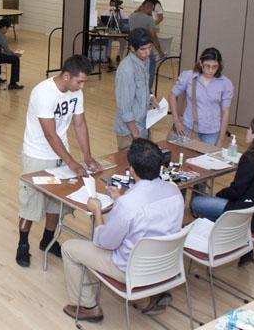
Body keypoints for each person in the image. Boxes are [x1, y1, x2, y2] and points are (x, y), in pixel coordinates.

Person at [61, 138, 184, 322]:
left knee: (69, 248)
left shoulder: (129, 204)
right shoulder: (174, 192)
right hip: (165, 265)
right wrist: (120, 200)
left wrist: (97, 212)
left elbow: (103, 242)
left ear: (132, 170)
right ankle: (157, 293)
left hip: (130, 270)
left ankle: (88, 307)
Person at [16, 55, 102, 267]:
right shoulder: (43, 93)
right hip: (38, 156)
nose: (81, 86)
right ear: (66, 76)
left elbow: (80, 124)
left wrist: (87, 156)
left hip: (61, 155)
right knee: (31, 205)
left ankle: (48, 240)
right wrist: (73, 163)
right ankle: (23, 244)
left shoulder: (76, 92)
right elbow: (50, 135)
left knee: (57, 203)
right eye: (79, 81)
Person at [191, 116, 254, 233]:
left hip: (248, 213)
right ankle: (223, 234)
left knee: (196, 203)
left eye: (249, 129)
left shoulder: (250, 158)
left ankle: (217, 233)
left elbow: (236, 191)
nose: (247, 131)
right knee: (210, 212)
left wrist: (219, 194)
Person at [168, 47, 233, 147]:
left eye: (214, 67)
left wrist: (221, 139)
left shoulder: (225, 83)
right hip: (188, 127)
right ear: (201, 63)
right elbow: (172, 95)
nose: (211, 70)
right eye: (207, 66)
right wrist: (176, 120)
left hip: (212, 132)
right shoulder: (188, 76)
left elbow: (226, 112)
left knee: (205, 161)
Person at [114, 28, 158, 150]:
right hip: (130, 132)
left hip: (143, 124)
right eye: (143, 49)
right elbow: (124, 107)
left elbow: (142, 87)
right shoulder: (126, 69)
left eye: (150, 47)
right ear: (132, 48)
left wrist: (150, 97)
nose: (148, 52)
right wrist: (136, 135)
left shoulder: (145, 60)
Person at [129, 0, 163, 90]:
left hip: (133, 48)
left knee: (133, 70)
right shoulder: (149, 19)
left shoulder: (131, 16)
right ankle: (147, 91)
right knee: (150, 70)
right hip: (144, 48)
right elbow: (153, 36)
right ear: (149, 9)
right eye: (151, 10)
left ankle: (134, 89)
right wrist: (160, 50)